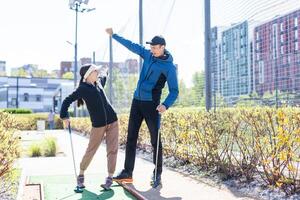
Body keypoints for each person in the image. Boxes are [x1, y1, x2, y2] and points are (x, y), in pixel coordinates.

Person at [106, 28, 179, 185]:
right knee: (131, 137)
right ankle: (127, 172)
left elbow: (174, 91)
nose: (151, 50)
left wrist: (165, 105)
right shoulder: (148, 55)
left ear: (162, 47)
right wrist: (114, 35)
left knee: (155, 140)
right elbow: (132, 45)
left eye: (154, 47)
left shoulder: (169, 67)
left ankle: (157, 174)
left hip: (152, 105)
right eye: (151, 47)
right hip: (137, 101)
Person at [60, 64, 119, 190]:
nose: (97, 72)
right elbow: (66, 101)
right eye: (95, 71)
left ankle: (109, 178)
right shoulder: (83, 89)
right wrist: (64, 117)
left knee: (112, 150)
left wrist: (106, 69)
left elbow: (104, 74)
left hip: (113, 121)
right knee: (91, 150)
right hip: (98, 125)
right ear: (88, 75)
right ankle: (81, 175)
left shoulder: (99, 83)